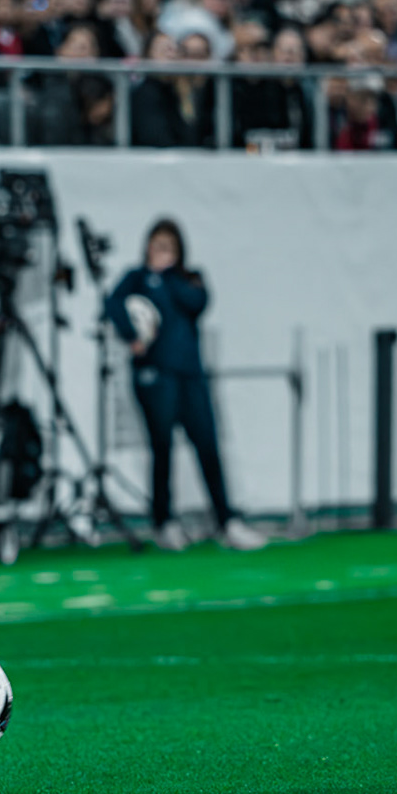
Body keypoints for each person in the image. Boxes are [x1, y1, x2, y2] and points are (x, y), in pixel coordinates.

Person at [105, 219, 266, 553]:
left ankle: (226, 520)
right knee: (161, 449)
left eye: (168, 246)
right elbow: (112, 304)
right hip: (155, 376)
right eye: (156, 244)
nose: (160, 251)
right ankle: (164, 521)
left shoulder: (189, 279)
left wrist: (167, 275)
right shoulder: (135, 279)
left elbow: (198, 303)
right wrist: (133, 335)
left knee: (207, 444)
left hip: (190, 374)